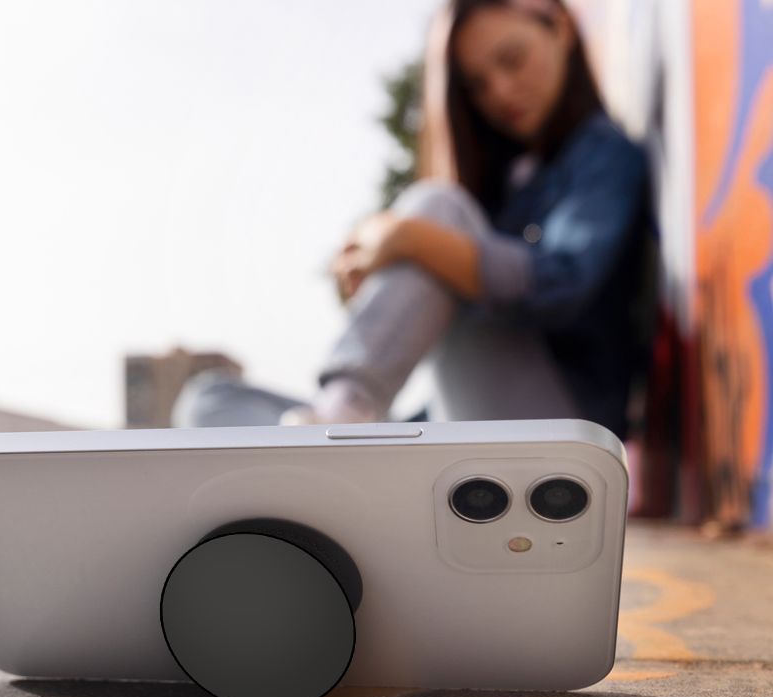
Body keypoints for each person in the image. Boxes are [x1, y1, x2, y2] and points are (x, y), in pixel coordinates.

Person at [171, 0, 655, 441]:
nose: (500, 91)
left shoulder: (604, 154)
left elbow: (560, 285)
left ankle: (344, 414)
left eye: (512, 60)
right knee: (207, 402)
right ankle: (340, 440)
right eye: (477, 86)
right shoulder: (507, 180)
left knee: (438, 207)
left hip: (561, 429)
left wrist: (411, 240)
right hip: (462, 418)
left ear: (560, 27)